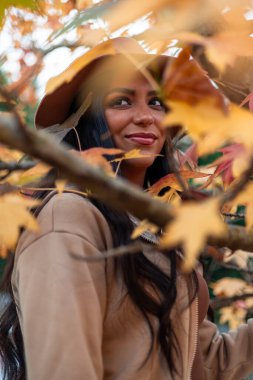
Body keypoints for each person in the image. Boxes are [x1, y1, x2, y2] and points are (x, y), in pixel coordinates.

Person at [1, 37, 253, 380]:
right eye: (121, 101)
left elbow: (205, 363)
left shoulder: (158, 233)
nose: (147, 117)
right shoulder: (69, 216)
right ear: (84, 118)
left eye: (157, 103)